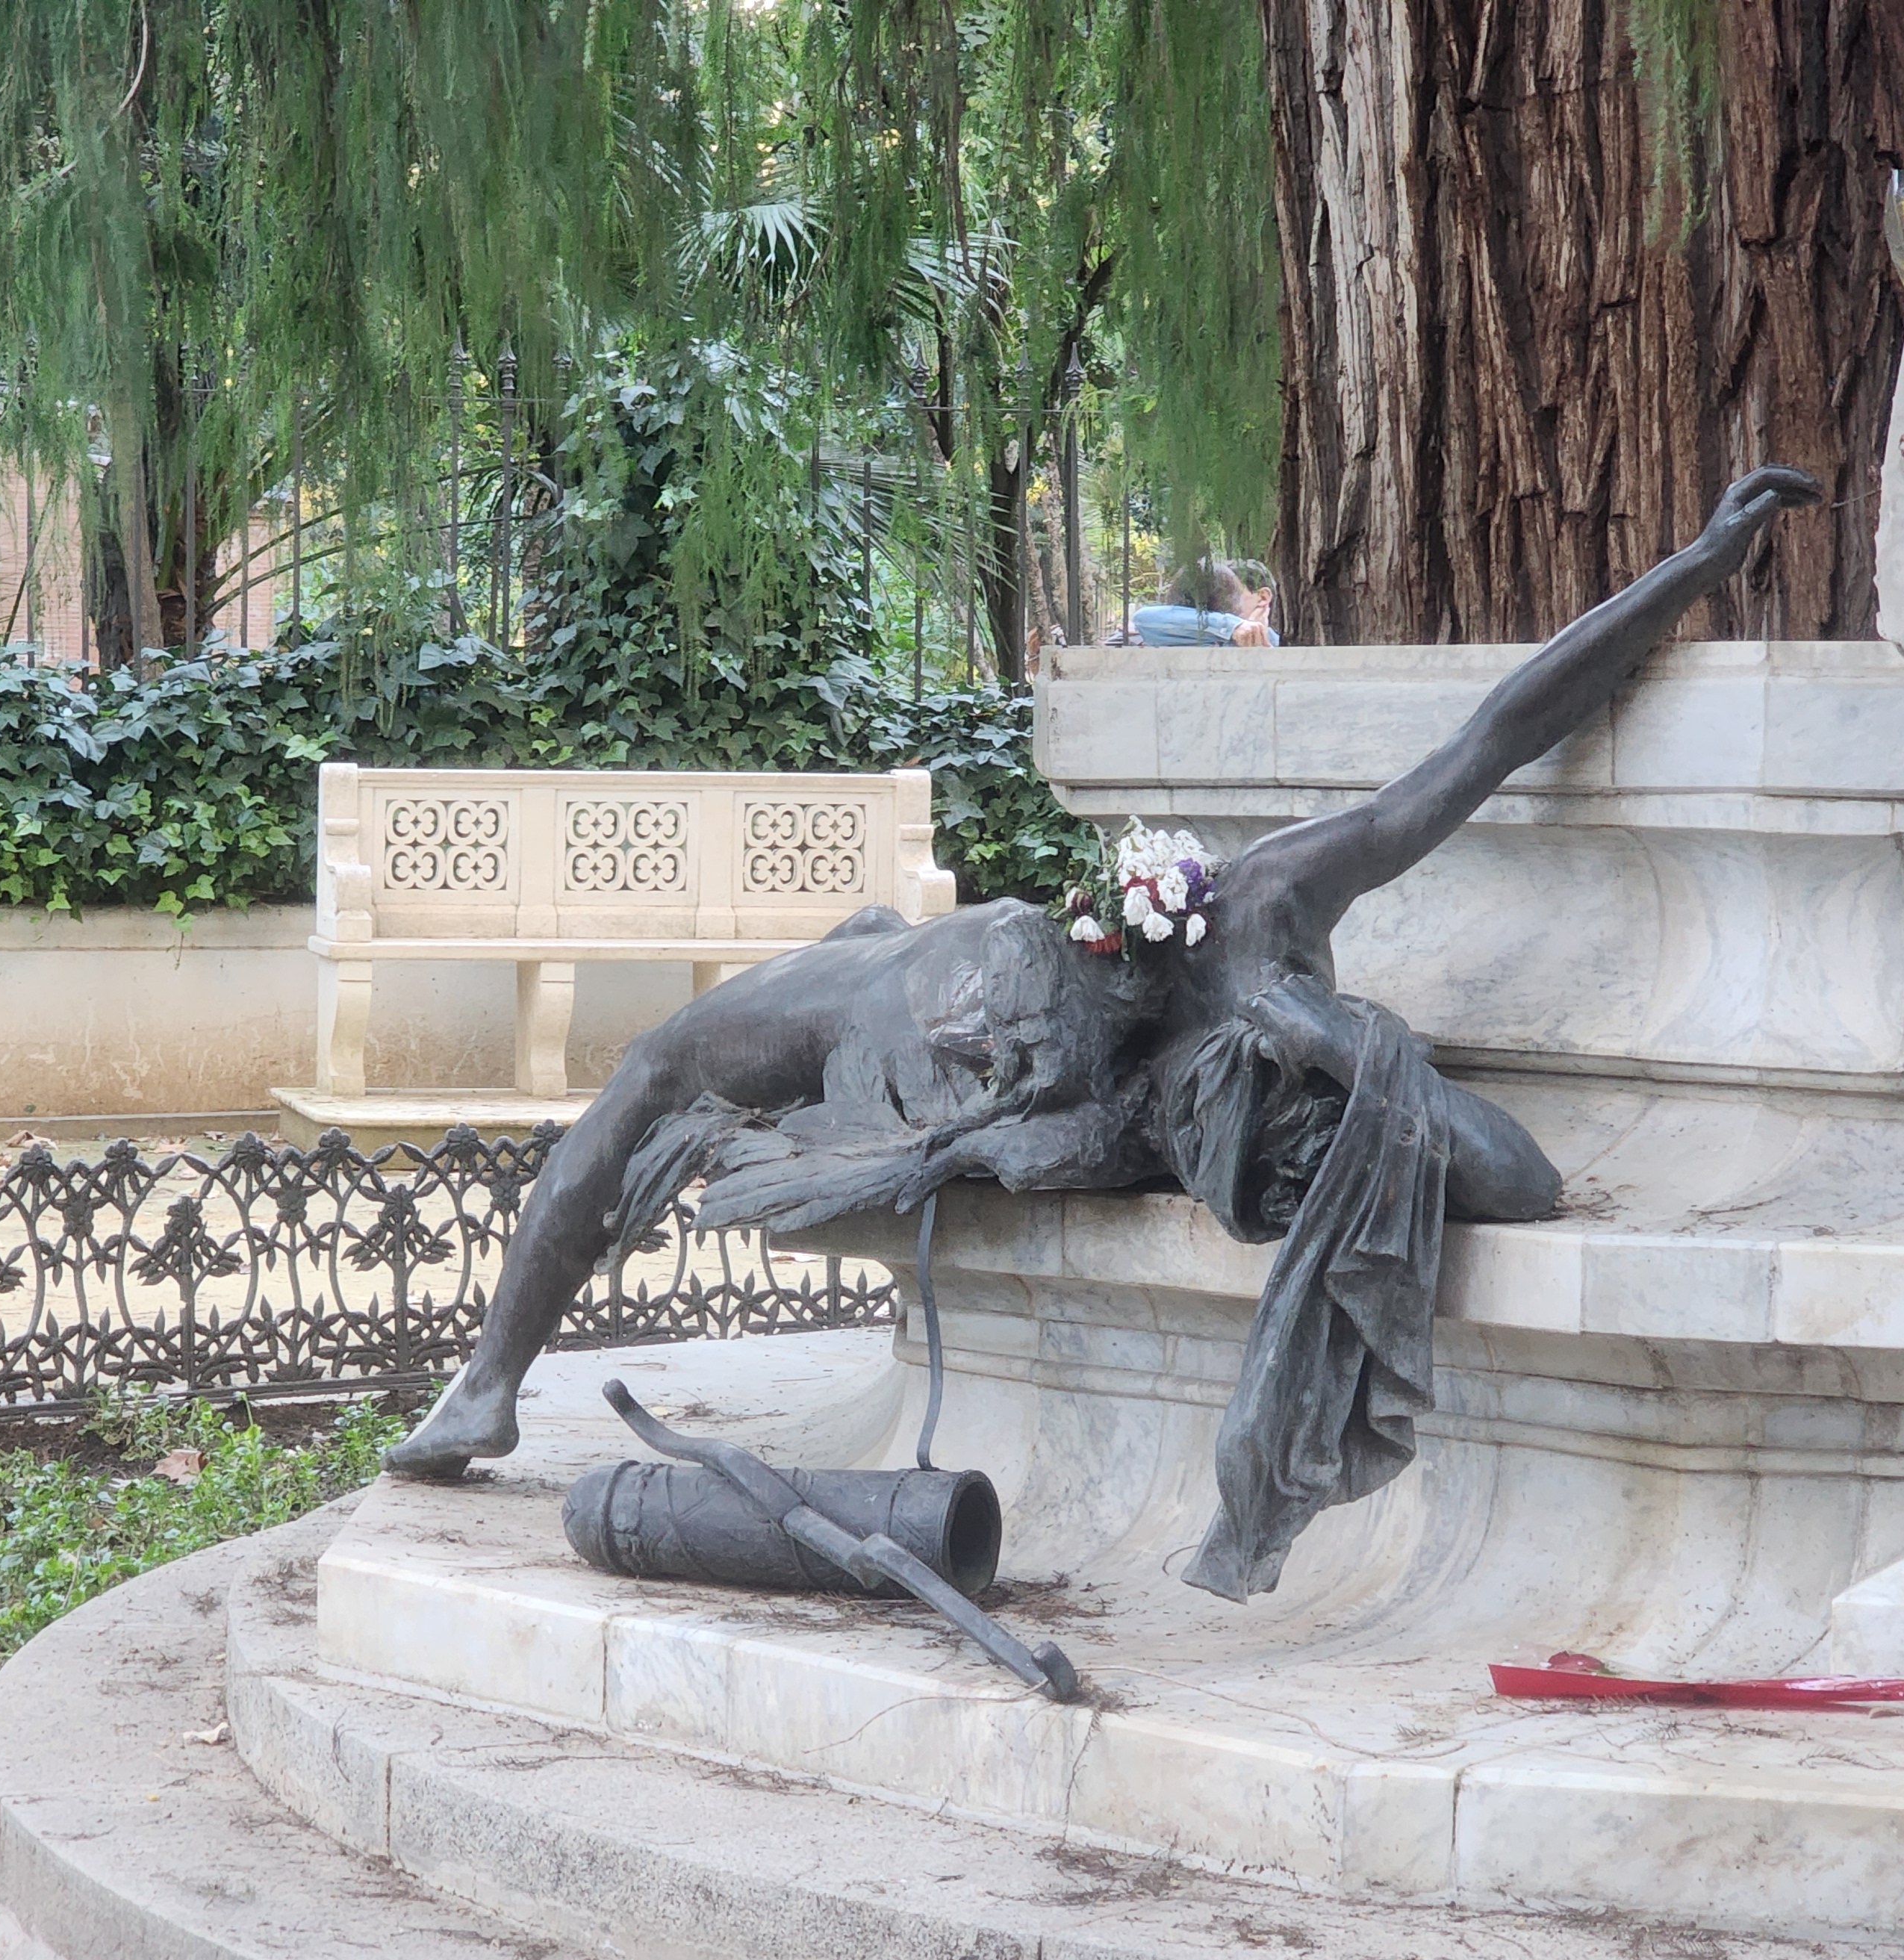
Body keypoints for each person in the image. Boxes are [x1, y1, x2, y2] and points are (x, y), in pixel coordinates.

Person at [388, 467, 1822, 1600]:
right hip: (904, 985)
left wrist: (1313, 1045)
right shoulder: (1148, 940)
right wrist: (1694, 572)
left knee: (684, 1072)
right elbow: (1485, 748)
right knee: (653, 1068)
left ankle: (495, 1374)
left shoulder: (1216, 1051)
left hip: (949, 1061)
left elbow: (1511, 1147)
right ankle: (489, 1381)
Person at [1126, 557, 1278, 647]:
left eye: (1235, 591)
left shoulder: (1276, 642)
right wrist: (1232, 627)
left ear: (1262, 598)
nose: (1225, 598)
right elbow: (1144, 618)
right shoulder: (1182, 632)